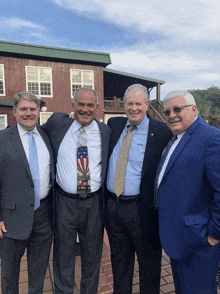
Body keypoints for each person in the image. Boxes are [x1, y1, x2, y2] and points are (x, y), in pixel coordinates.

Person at [42, 87, 111, 294]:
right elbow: (32, 129)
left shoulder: (105, 132)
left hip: (94, 203)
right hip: (65, 202)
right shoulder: (57, 124)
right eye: (80, 104)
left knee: (92, 255)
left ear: (97, 107)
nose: (85, 109)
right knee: (63, 254)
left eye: (90, 105)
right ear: (73, 106)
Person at [106, 84, 172, 294]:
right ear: (124, 105)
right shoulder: (114, 125)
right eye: (130, 103)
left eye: (138, 104)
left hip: (142, 209)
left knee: (149, 264)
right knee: (119, 262)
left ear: (147, 105)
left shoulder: (161, 131)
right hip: (114, 207)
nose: (133, 108)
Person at [156, 90, 220, 294]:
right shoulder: (176, 137)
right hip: (179, 238)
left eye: (177, 109)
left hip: (199, 240)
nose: (171, 115)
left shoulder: (210, 138)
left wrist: (214, 233)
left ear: (194, 110)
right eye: (167, 112)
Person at [0, 91, 54, 294]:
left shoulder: (46, 137)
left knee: (38, 273)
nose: (29, 113)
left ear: (39, 111)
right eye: (23, 109)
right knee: (9, 275)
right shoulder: (3, 138)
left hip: (43, 216)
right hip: (11, 218)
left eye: (33, 109)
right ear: (14, 111)